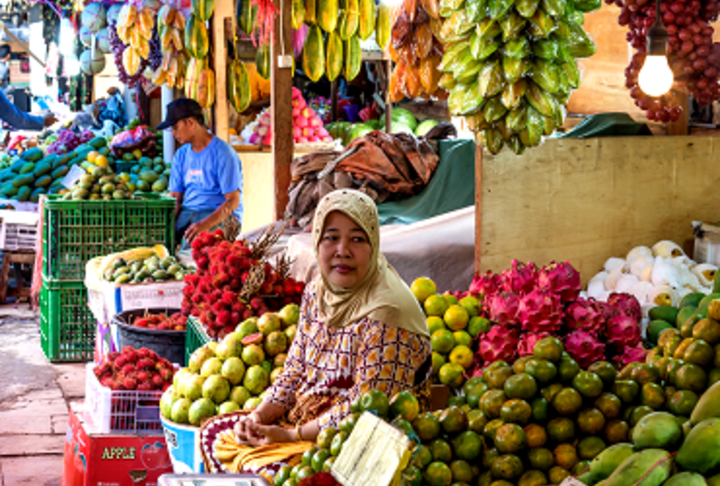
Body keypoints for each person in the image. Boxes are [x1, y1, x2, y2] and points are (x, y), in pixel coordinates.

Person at [233, 189, 432, 447]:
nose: (343, 251)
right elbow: (295, 368)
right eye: (331, 237)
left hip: (361, 443)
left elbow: (368, 409)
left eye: (358, 239)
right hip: (307, 422)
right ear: (317, 241)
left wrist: (292, 436)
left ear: (374, 243)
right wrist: (258, 416)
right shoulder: (318, 291)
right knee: (221, 436)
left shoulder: (388, 313)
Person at [159, 98, 243, 249]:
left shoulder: (223, 153)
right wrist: (166, 227)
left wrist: (204, 225)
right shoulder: (181, 155)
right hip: (189, 212)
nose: (173, 133)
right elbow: (175, 198)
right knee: (162, 245)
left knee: (191, 248)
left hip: (219, 215)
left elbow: (232, 201)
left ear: (191, 123)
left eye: (176, 127)